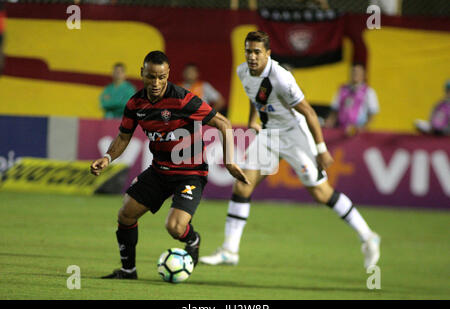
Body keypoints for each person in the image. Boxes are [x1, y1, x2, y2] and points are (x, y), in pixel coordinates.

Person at [200, 31, 380, 269]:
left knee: (321, 194)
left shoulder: (281, 78)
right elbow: (257, 98)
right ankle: (230, 250)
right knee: (242, 183)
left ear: (268, 54)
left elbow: (309, 112)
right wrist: (254, 121)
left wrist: (321, 149)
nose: (252, 56)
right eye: (249, 51)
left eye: (257, 52)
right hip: (270, 134)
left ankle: (368, 236)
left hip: (295, 136)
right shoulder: (242, 71)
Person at [90, 51, 249, 279]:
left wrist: (230, 161)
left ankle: (192, 239)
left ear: (168, 75)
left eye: (161, 77)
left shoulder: (182, 99)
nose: (156, 83)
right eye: (151, 77)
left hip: (190, 174)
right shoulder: (135, 103)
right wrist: (107, 158)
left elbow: (223, 122)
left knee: (174, 227)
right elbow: (123, 137)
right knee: (125, 214)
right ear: (142, 73)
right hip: (159, 170)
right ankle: (128, 270)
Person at [325, 64, 380, 136]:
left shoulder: (369, 92)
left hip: (358, 132)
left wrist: (363, 128)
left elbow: (372, 114)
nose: (355, 74)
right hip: (341, 130)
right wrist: (329, 123)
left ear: (364, 75)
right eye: (353, 72)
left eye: (358, 72)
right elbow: (335, 111)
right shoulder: (342, 89)